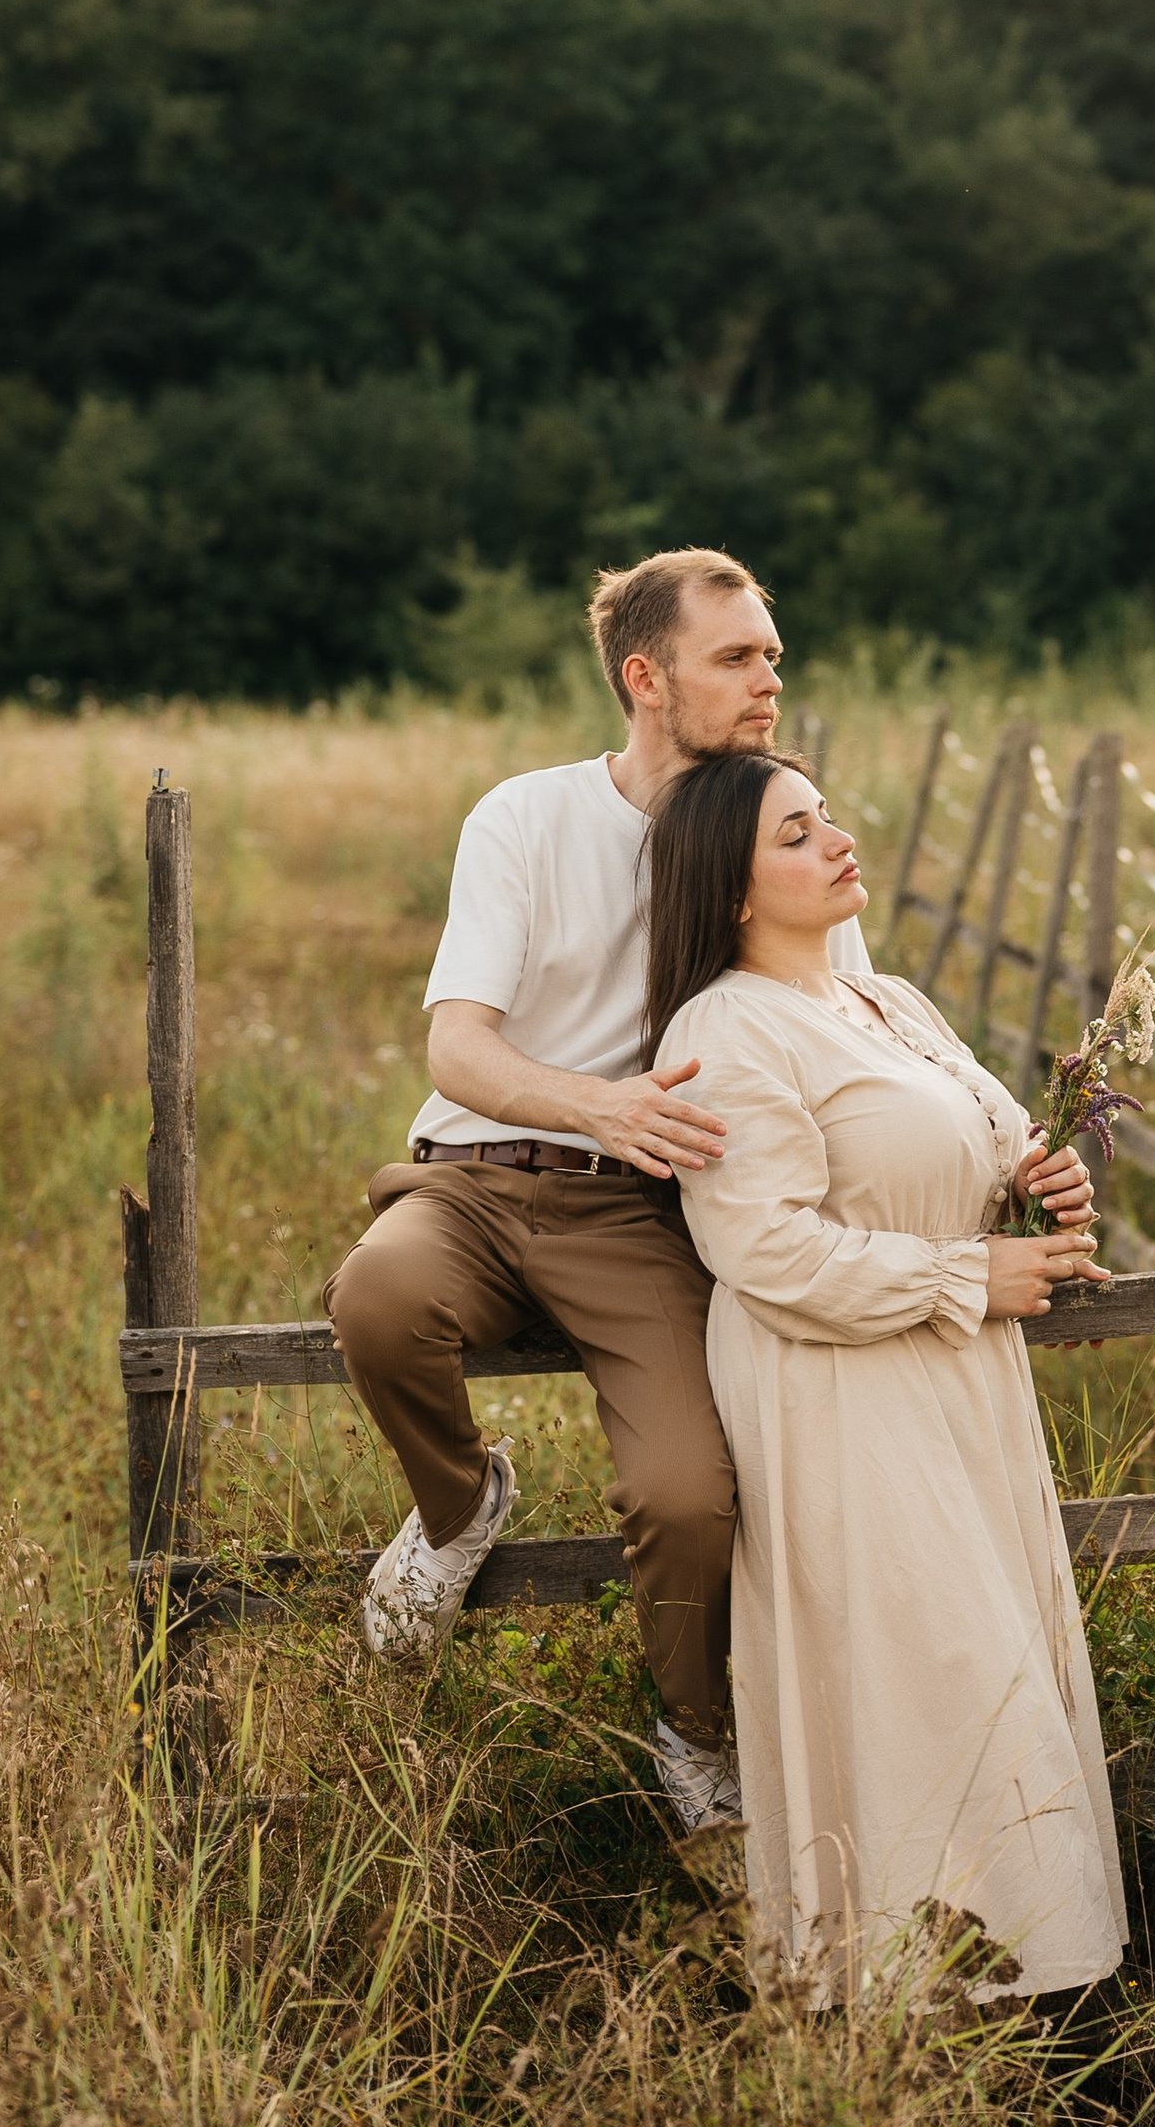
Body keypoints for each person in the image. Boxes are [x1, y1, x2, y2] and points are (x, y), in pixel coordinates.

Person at [324, 548, 867, 1835]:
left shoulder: (778, 832)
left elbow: (851, 1028)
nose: (768, 680)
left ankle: (694, 1736)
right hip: (476, 1178)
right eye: (736, 656)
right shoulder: (526, 815)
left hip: (640, 1214)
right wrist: (598, 1101)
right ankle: (459, 1507)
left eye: (773, 655)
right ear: (644, 675)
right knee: (378, 1298)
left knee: (688, 1492)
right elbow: (457, 1047)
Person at [647, 747, 1129, 2010]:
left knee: (991, 1668)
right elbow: (761, 1245)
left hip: (958, 1391)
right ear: (736, 890)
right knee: (934, 1687)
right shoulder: (723, 1030)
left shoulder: (891, 1002)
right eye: (796, 834)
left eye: (828, 818)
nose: (837, 840)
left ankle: (1031, 2000)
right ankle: (909, 2008)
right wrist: (966, 1276)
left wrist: (1038, 1169)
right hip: (844, 1396)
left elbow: (973, 1130)